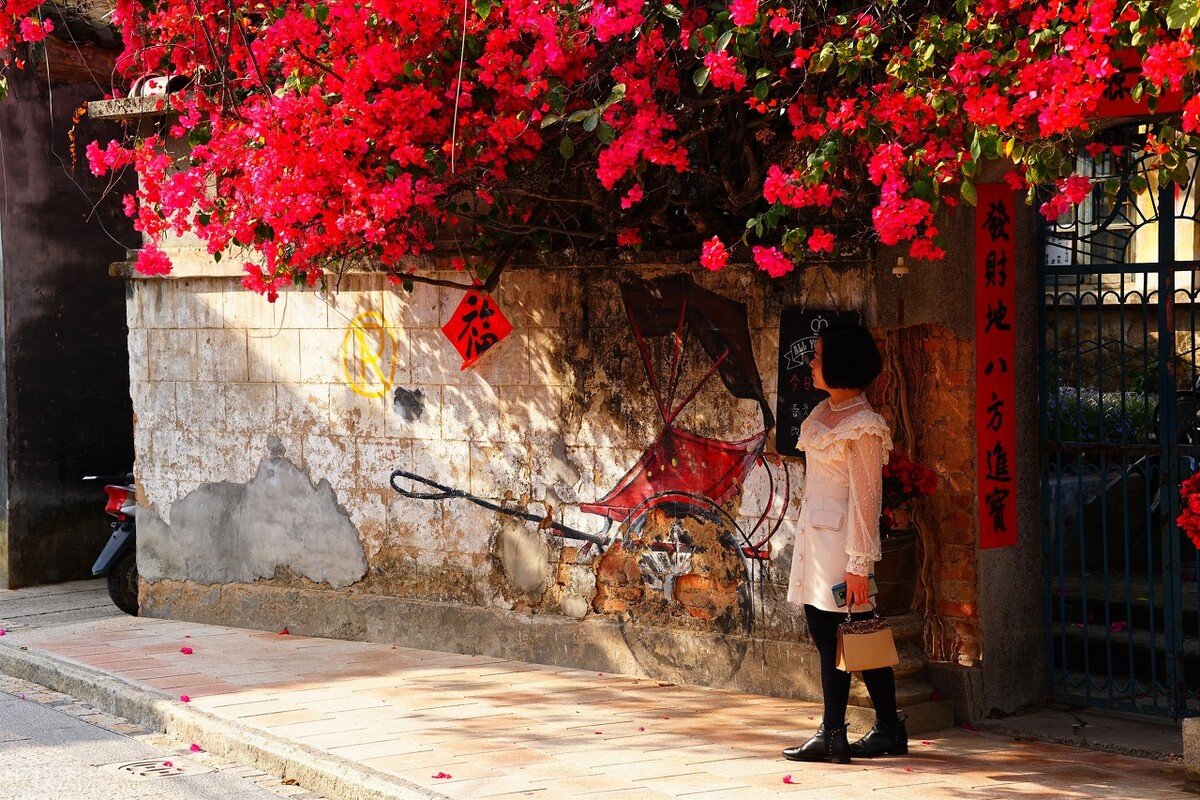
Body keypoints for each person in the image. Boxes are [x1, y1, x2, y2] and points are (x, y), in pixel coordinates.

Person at [780, 321, 906, 764]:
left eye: (817, 356)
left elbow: (867, 498)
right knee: (835, 632)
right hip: (815, 540)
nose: (811, 363)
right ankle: (885, 728)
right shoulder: (822, 412)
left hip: (842, 547)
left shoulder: (865, 426)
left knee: (844, 633)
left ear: (839, 363)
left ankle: (835, 733)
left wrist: (859, 563)